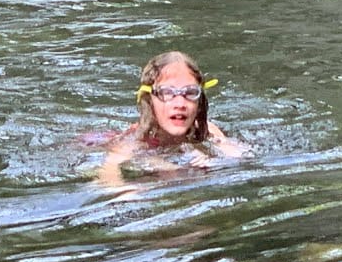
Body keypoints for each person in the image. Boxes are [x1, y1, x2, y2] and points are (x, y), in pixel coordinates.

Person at [97, 51, 249, 185]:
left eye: (190, 93)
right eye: (167, 93)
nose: (180, 104)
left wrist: (212, 162)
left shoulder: (206, 130)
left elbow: (239, 157)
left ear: (199, 103)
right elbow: (108, 174)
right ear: (150, 100)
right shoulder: (138, 138)